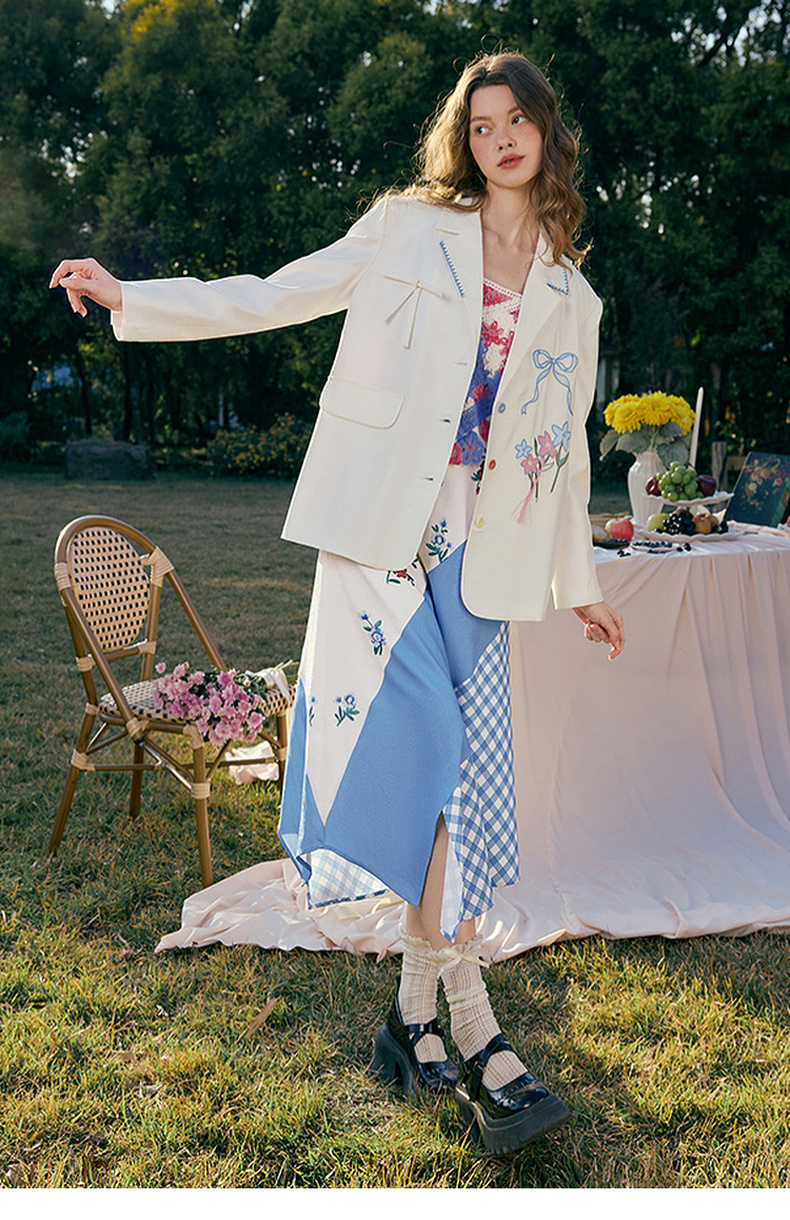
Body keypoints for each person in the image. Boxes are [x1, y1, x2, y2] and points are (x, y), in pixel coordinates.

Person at [50, 50, 624, 1156]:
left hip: (483, 551)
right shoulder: (409, 227)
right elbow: (281, 291)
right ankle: (475, 1026)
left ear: (548, 135)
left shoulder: (572, 295)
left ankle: (412, 1016)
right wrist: (134, 298)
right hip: (379, 529)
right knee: (438, 758)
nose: (499, 139)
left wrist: (581, 587)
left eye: (517, 120)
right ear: (465, 138)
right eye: (481, 123)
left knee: (460, 783)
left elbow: (561, 458)